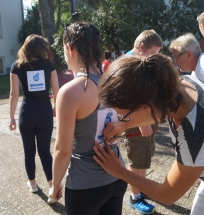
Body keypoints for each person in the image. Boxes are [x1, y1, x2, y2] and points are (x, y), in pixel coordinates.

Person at [93, 53, 204, 215]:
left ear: (145, 106)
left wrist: (119, 171)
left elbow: (167, 194)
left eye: (123, 115)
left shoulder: (194, 137)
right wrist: (126, 124)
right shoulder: (177, 84)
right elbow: (154, 110)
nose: (121, 120)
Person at [50, 22, 127, 215]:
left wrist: (55, 183)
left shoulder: (71, 91)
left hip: (86, 185)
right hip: (117, 176)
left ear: (70, 48)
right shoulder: (114, 80)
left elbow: (62, 149)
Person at [9, 34, 59, 203]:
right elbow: (57, 91)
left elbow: (14, 94)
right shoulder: (49, 66)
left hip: (27, 111)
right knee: (45, 151)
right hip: (45, 111)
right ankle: (52, 186)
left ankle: (32, 184)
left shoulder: (17, 66)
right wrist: (55, 108)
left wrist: (11, 118)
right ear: (42, 48)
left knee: (29, 152)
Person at [123, 29, 163, 214]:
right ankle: (134, 196)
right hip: (136, 123)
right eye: (154, 53)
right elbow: (124, 97)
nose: (156, 58)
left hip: (147, 119)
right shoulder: (129, 64)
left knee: (144, 158)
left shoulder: (142, 61)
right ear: (141, 47)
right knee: (136, 160)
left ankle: (140, 189)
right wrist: (141, 122)